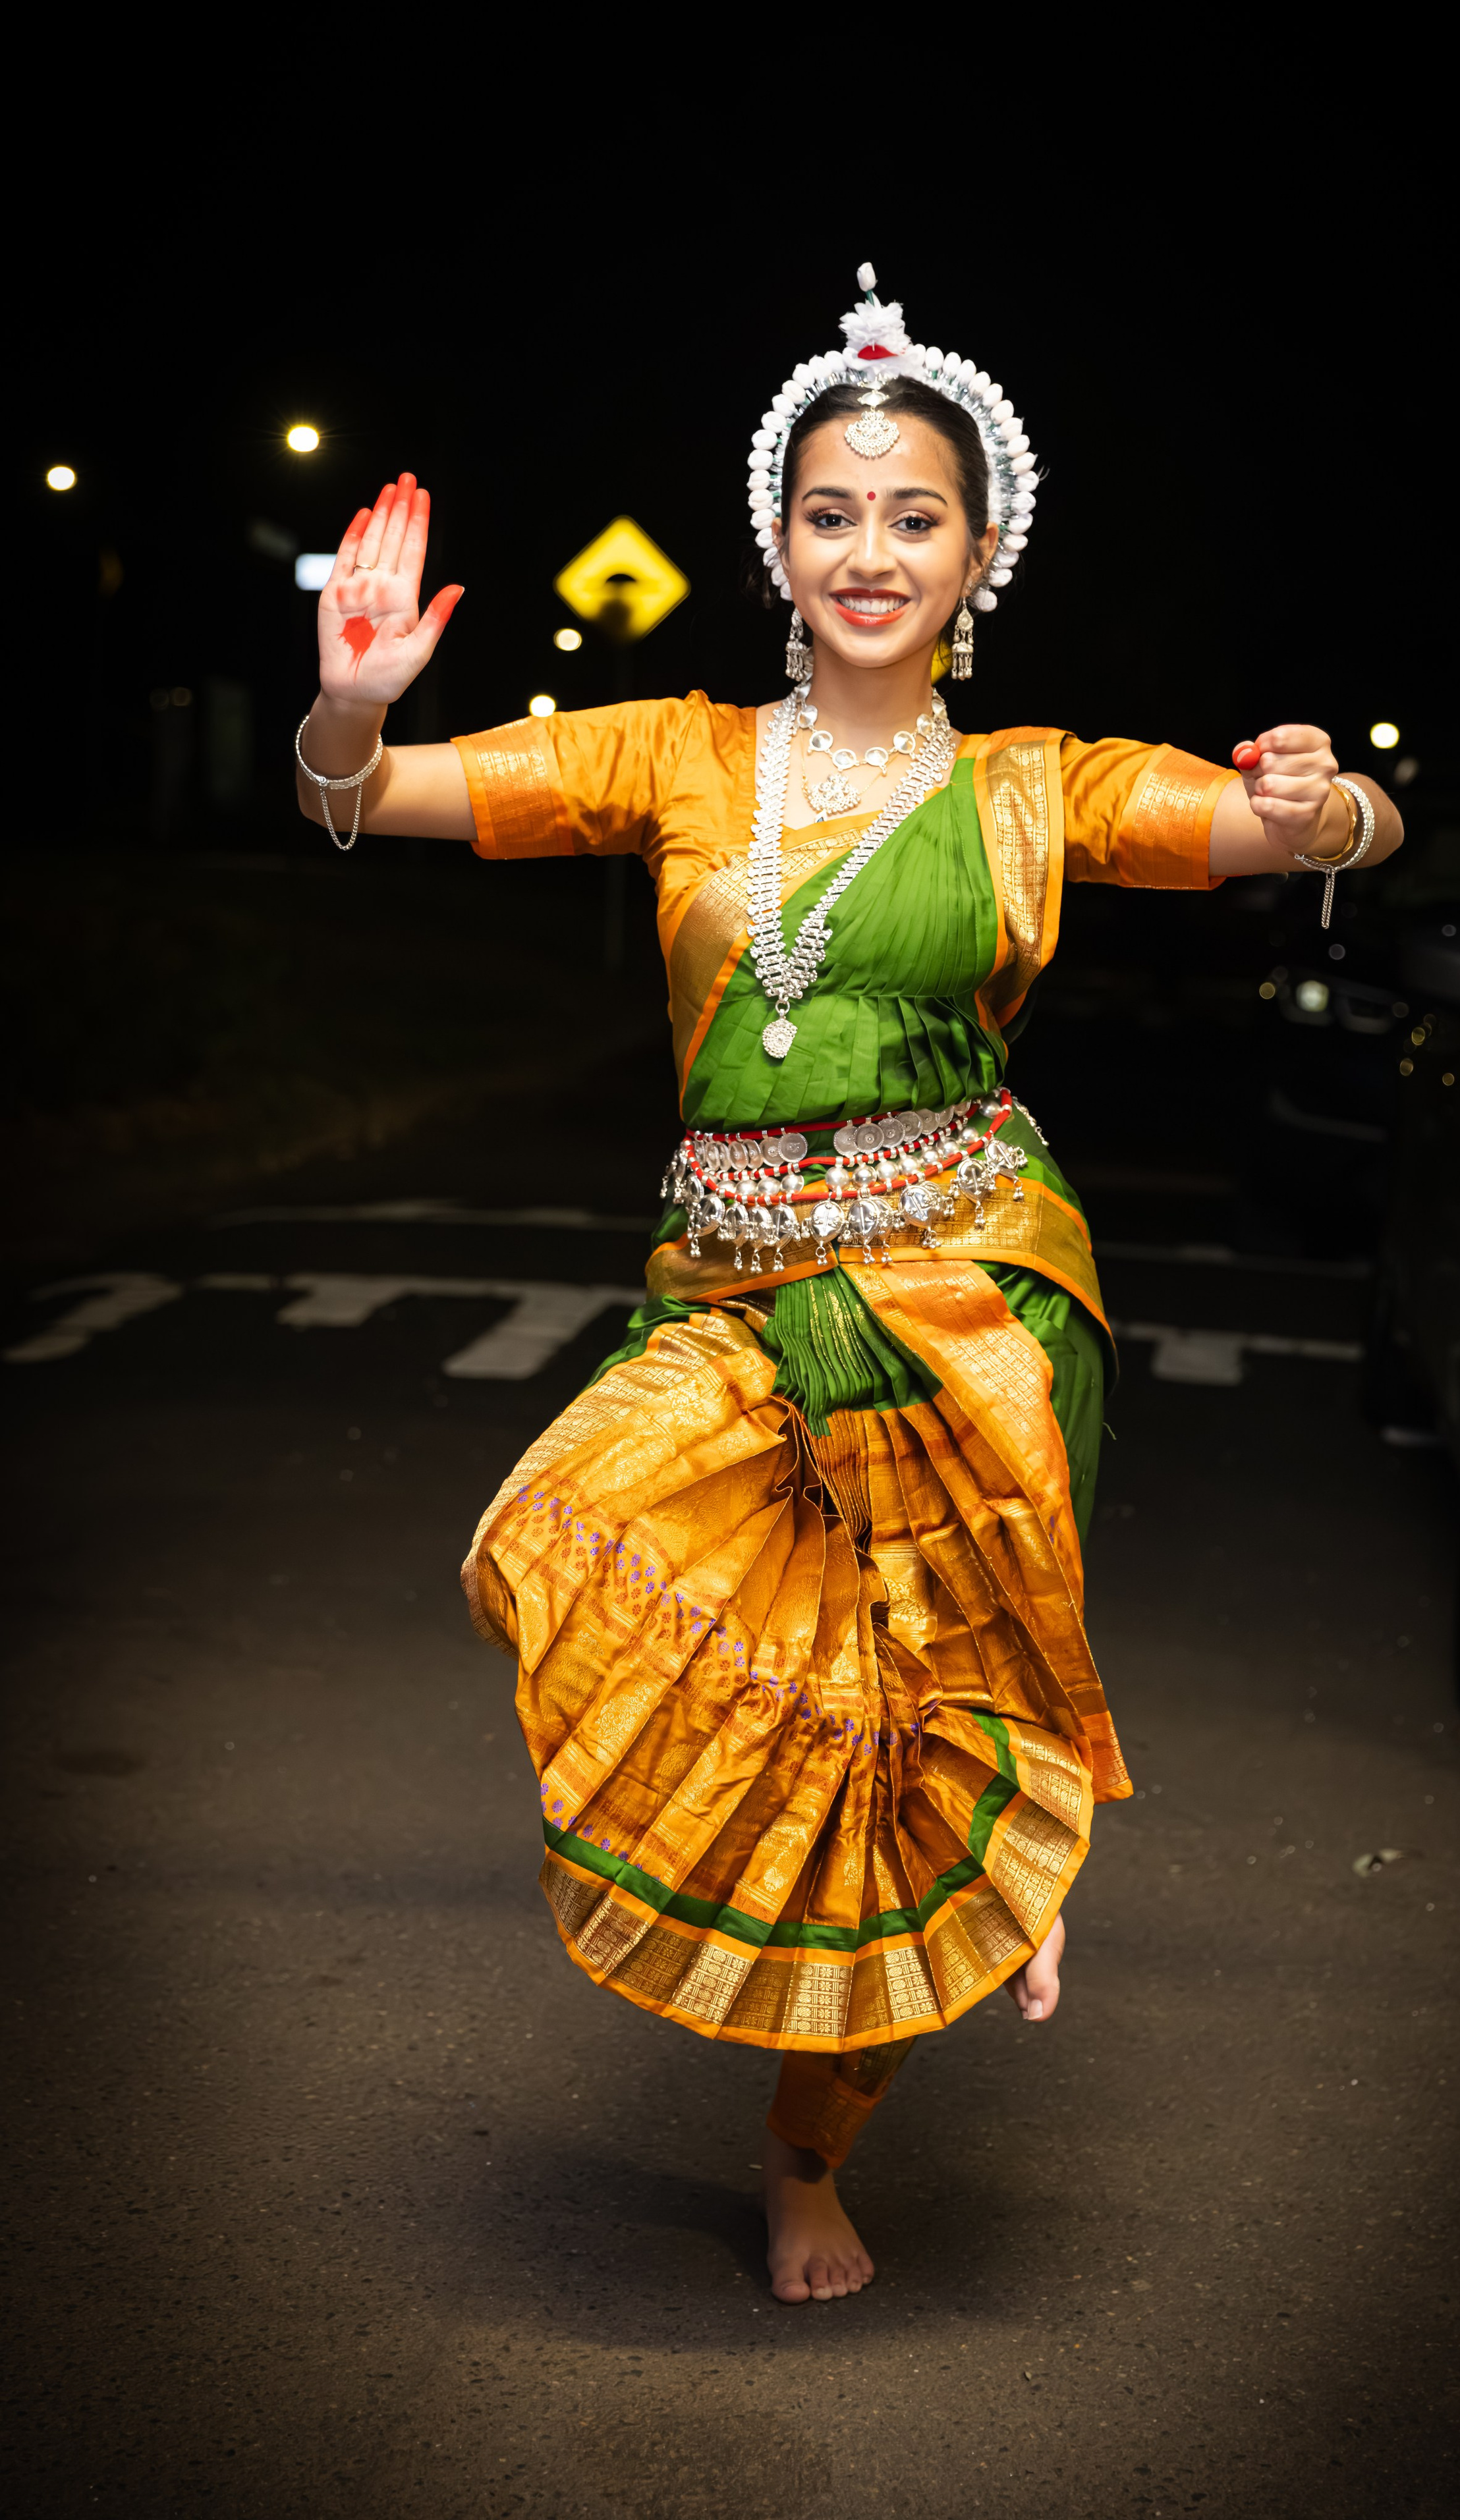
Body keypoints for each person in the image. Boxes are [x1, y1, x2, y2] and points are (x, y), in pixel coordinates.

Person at [294, 267, 1404, 2306]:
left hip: (968, 1303)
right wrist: (353, 712)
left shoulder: (1031, 791)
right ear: (777, 542)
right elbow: (379, 803)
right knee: (560, 1532)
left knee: (899, 1771)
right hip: (724, 1294)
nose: (870, 549)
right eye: (832, 510)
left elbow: (1311, 827)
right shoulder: (675, 759)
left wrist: (1315, 802)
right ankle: (983, 1826)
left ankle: (822, 2142)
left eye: (914, 515)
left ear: (980, 552)